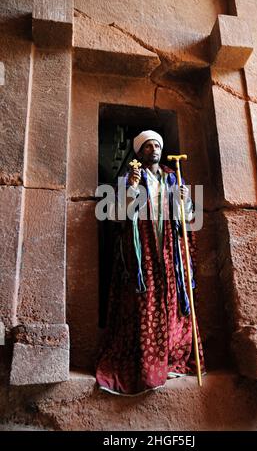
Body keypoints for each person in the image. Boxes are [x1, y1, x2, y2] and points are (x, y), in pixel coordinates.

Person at [95, 130, 205, 395]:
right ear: (139, 152)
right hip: (142, 250)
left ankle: (172, 359)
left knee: (173, 301)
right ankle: (145, 363)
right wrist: (131, 189)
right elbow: (117, 215)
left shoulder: (172, 176)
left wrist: (184, 198)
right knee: (145, 300)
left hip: (169, 251)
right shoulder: (129, 177)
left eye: (157, 145)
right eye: (147, 146)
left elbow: (189, 216)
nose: (154, 149)